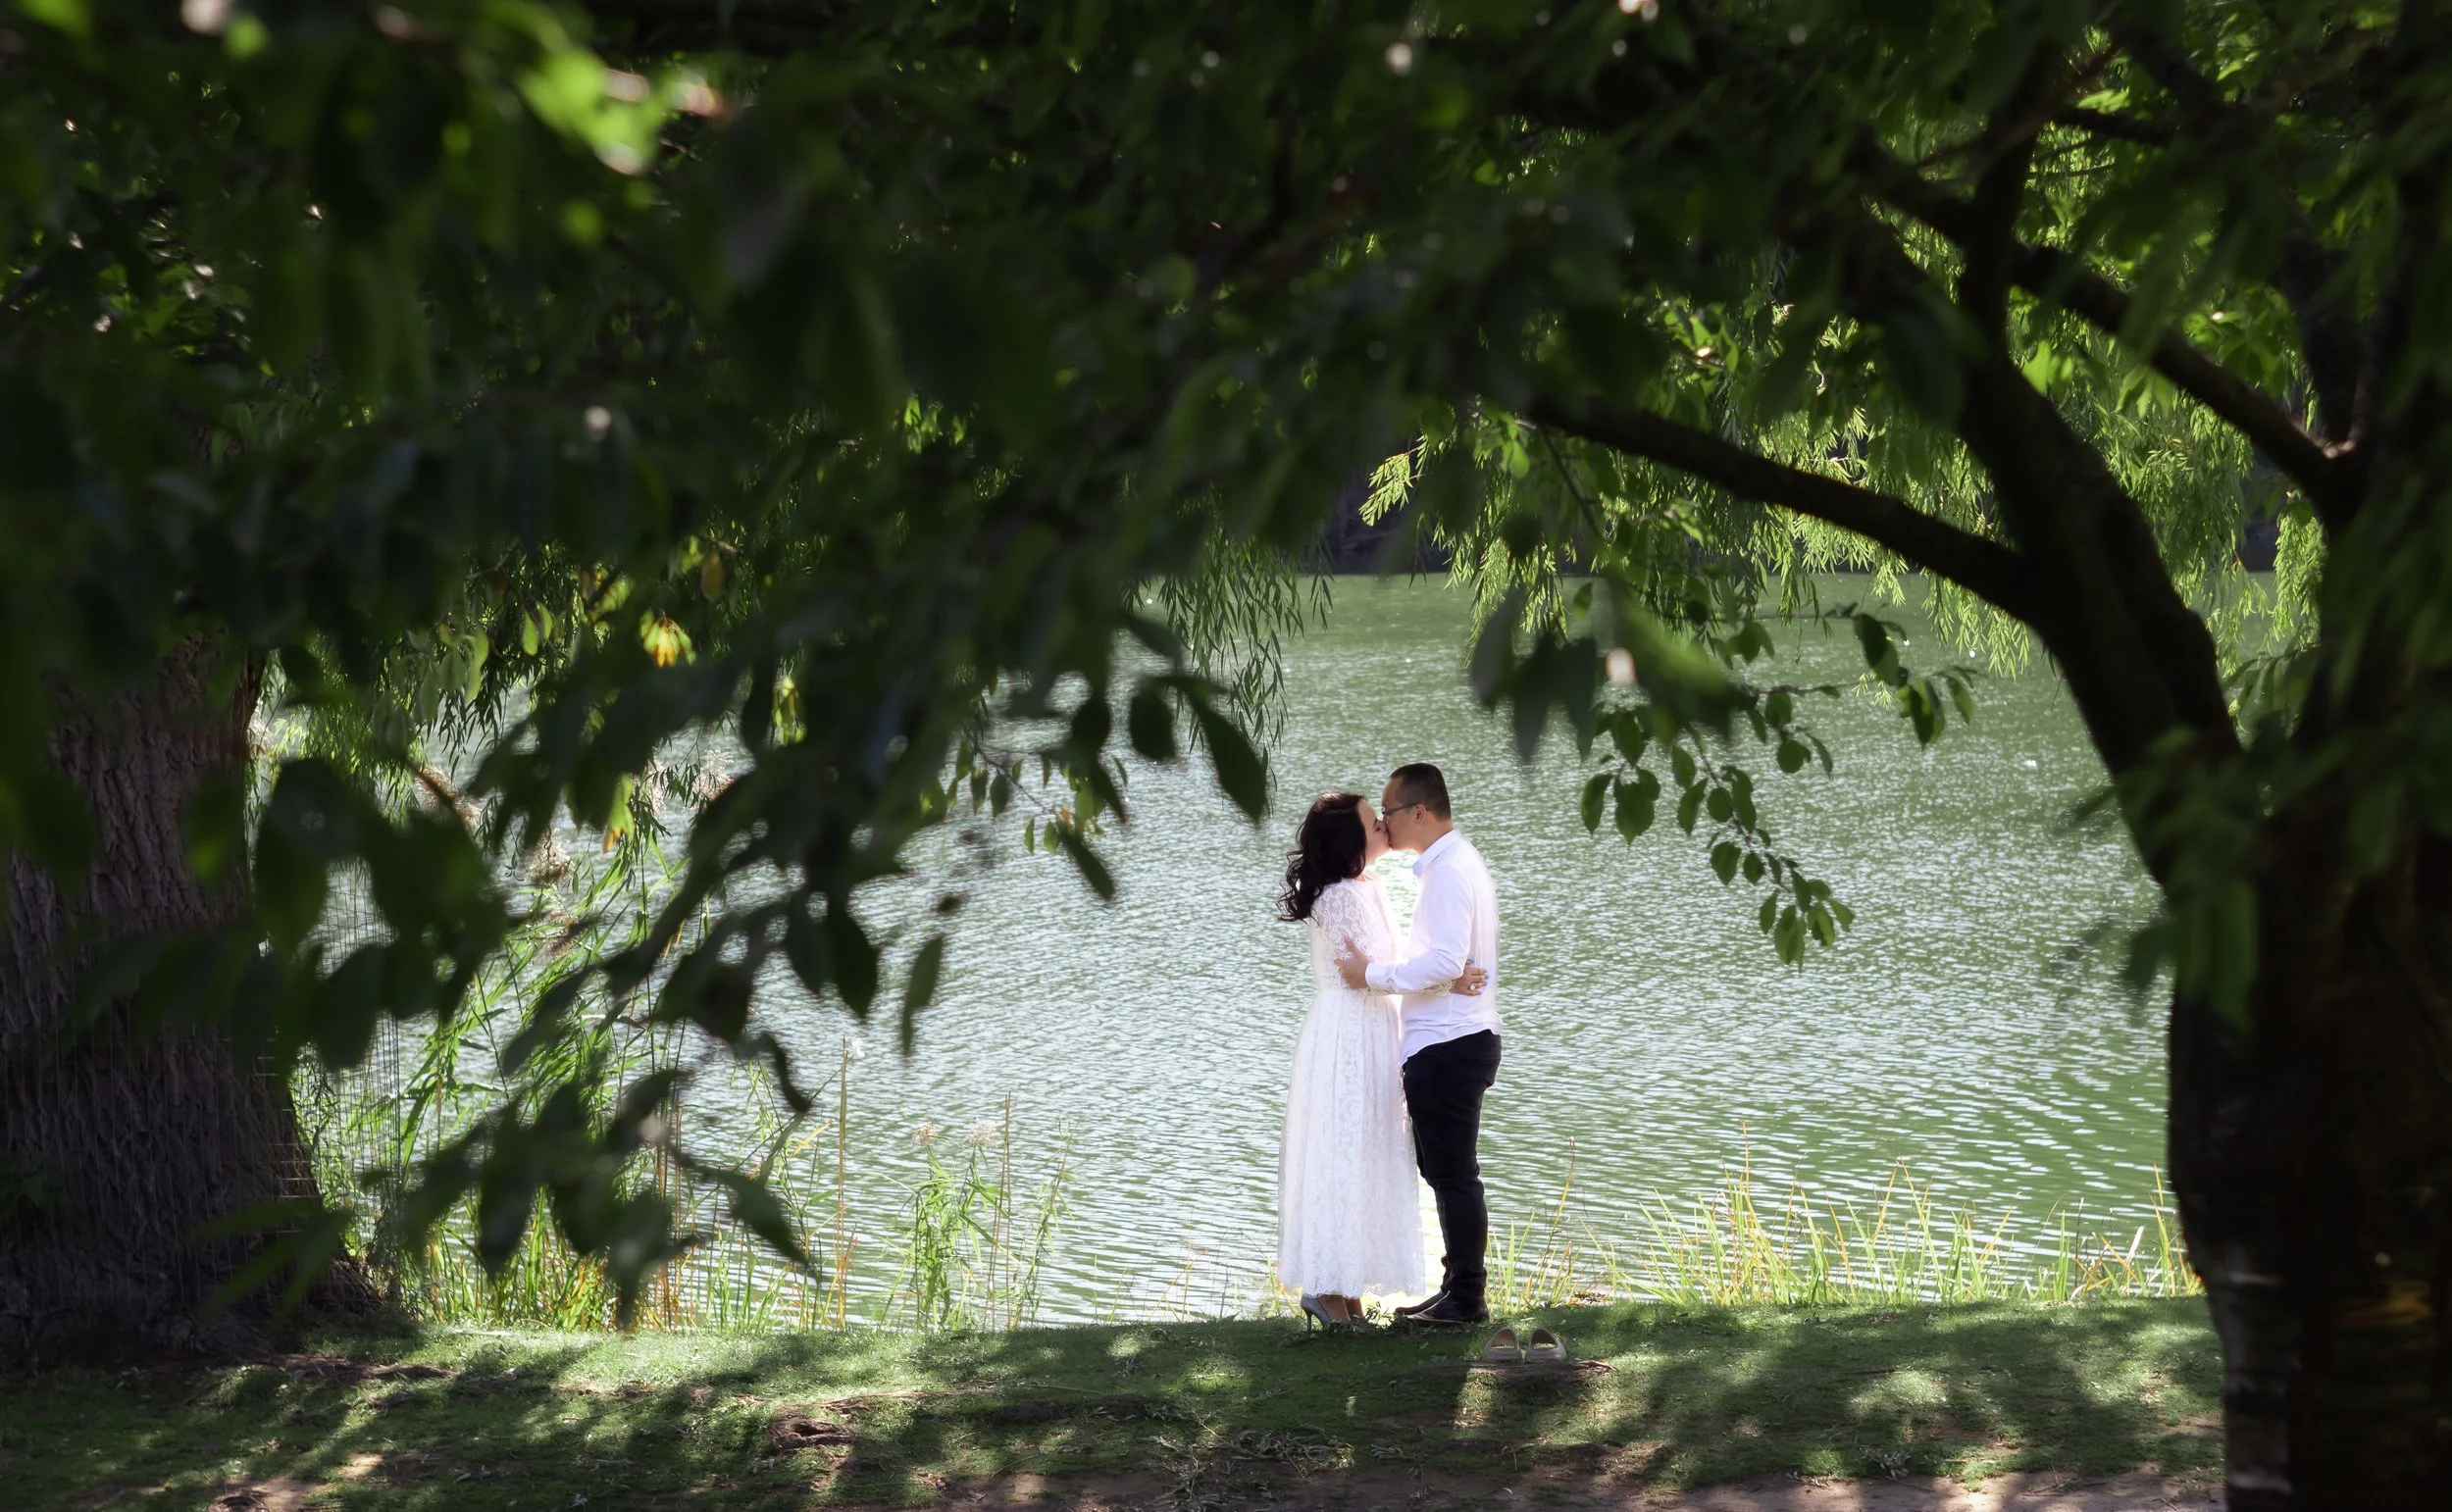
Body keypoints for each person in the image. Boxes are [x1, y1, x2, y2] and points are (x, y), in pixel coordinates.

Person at [1275, 791, 1486, 1330]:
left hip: (1376, 1028)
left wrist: (1446, 976)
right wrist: (1450, 976)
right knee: (1344, 1152)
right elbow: (1363, 971)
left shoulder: (1366, 887)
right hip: (1348, 1032)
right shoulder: (1341, 895)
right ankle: (1329, 1289)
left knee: (1369, 1152)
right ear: (1350, 839)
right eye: (1374, 824)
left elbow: (1388, 968)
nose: (1384, 829)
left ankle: (1344, 1291)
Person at [1337, 762, 1502, 1328]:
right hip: (1452, 1038)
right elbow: (1449, 962)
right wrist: (1445, 975)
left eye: (1390, 814)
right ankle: (1455, 1288)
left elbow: (1445, 959)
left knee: (1454, 1174)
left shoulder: (1450, 870)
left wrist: (1372, 975)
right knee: (1446, 1172)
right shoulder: (1452, 864)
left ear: (1419, 813)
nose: (1384, 823)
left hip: (1450, 1042)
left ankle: (1467, 1298)